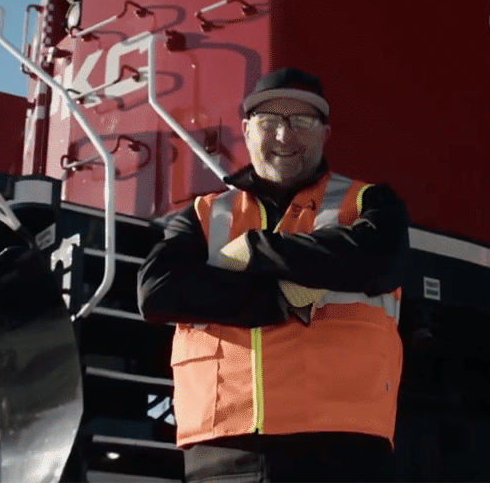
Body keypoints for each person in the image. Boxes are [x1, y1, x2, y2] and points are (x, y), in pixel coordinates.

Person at [137, 67, 409, 482]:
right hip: (224, 451)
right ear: (246, 131)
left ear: (325, 133)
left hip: (341, 446)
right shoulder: (203, 214)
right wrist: (274, 301)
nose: (285, 136)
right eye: (270, 122)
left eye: (302, 121)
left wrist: (253, 249)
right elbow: (157, 292)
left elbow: (378, 260)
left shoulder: (370, 200)